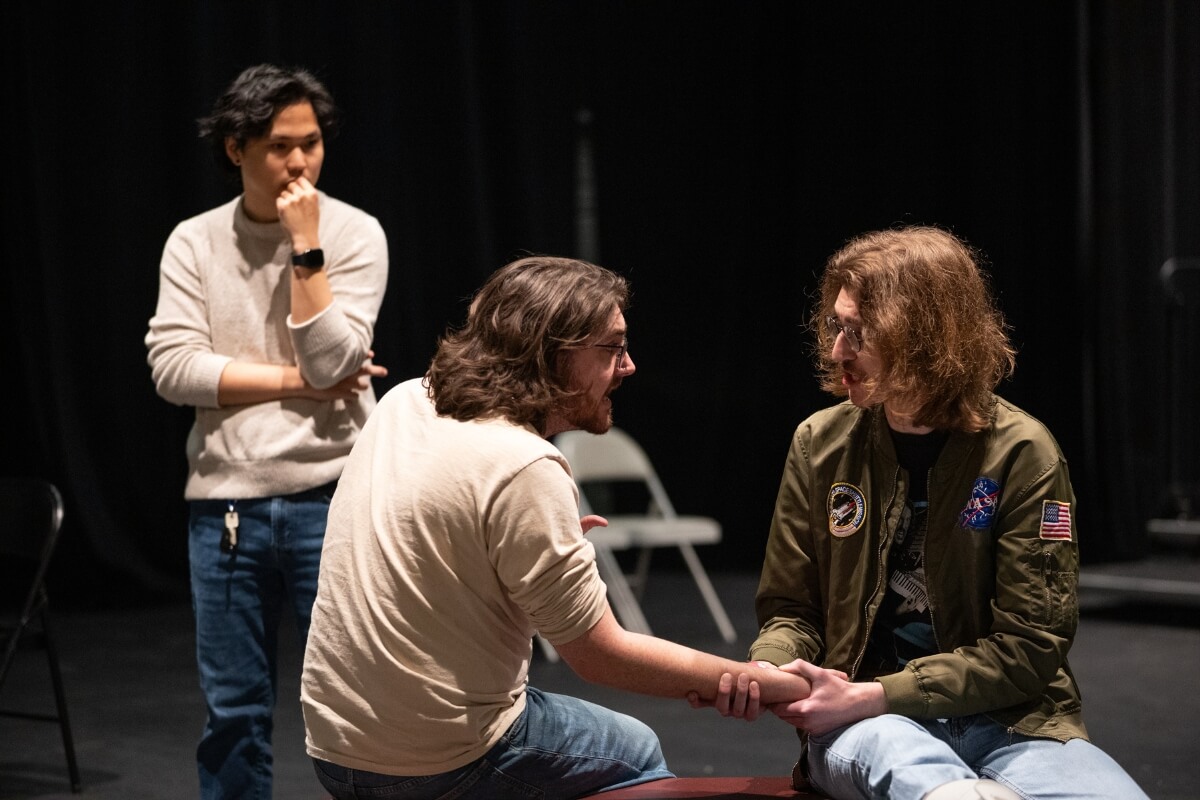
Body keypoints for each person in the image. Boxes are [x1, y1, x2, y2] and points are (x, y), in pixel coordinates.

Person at [300, 255, 812, 799]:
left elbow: (432, 545)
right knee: (634, 748)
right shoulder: (524, 465)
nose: (629, 365)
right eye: (613, 348)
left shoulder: (405, 400)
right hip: (433, 763)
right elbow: (599, 655)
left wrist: (535, 544)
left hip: (333, 746)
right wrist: (750, 681)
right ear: (555, 353)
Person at [699, 225, 1148, 800]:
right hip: (868, 722)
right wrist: (771, 668)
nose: (837, 351)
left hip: (1012, 723)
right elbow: (792, 611)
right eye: (836, 326)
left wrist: (880, 693)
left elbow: (1029, 647)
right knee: (938, 787)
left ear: (921, 337)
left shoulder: (1022, 452)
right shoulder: (820, 444)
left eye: (857, 332)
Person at [145, 63, 389, 799]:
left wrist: (305, 245)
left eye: (311, 143)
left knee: (356, 705)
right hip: (227, 504)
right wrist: (298, 383)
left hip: (335, 496)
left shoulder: (353, 233)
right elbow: (174, 369)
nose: (299, 162)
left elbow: (334, 357)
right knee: (234, 714)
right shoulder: (194, 241)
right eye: (280, 146)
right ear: (236, 149)